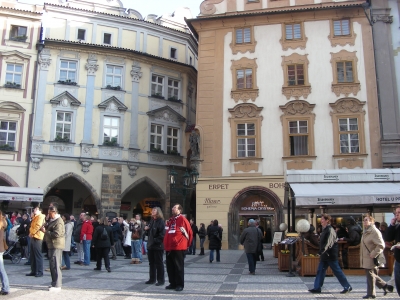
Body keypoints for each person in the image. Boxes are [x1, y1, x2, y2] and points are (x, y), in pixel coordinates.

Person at [308, 213, 352, 294]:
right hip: (325, 255)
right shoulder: (325, 229)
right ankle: (317, 287)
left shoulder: (330, 230)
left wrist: (321, 251)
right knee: (320, 270)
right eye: (321, 219)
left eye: (322, 220)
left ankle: (347, 286)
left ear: (327, 221)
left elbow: (328, 243)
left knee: (337, 271)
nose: (321, 221)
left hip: (330, 255)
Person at [360, 215, 393, 299]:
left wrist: (373, 253)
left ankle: (372, 293)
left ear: (372, 222)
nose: (364, 222)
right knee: (371, 275)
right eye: (364, 220)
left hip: (372, 257)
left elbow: (381, 245)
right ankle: (382, 287)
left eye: (366, 220)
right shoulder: (366, 231)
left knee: (370, 275)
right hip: (366, 256)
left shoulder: (374, 231)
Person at [164, 204, 193, 292]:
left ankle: (179, 284)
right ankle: (172, 283)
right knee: (170, 266)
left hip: (178, 247)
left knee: (178, 267)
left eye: (175, 208)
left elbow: (189, 233)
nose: (173, 209)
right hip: (169, 247)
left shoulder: (183, 219)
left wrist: (186, 245)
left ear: (180, 210)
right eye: (172, 207)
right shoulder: (171, 220)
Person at [42, 203, 65, 292]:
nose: (49, 214)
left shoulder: (58, 221)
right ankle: (54, 283)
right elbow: (46, 226)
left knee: (56, 264)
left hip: (56, 245)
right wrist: (47, 220)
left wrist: (46, 232)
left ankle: (58, 285)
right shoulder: (52, 220)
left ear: (54, 212)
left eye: (49, 213)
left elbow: (57, 234)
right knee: (52, 264)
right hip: (51, 244)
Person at [145, 207, 165, 286]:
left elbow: (162, 234)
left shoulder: (160, 222)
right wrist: (147, 230)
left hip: (157, 246)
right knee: (151, 263)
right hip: (150, 245)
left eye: (154, 210)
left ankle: (161, 280)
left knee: (159, 263)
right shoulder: (152, 221)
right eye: (152, 210)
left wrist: (155, 241)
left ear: (158, 212)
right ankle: (152, 279)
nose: (152, 211)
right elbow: (149, 233)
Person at [385, 204, 400, 297]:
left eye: (399, 213)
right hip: (398, 260)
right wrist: (391, 225)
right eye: (396, 213)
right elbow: (388, 237)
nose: (396, 215)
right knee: (398, 285)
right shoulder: (397, 226)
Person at [26, 206, 45, 277]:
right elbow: (31, 226)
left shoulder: (41, 216)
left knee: (38, 254)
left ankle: (40, 271)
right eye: (35, 209)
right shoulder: (35, 217)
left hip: (38, 237)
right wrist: (30, 233)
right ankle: (33, 270)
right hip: (33, 236)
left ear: (40, 211)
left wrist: (32, 233)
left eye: (36, 209)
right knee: (32, 254)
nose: (34, 210)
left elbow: (38, 226)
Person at [0, 211, 10, 295]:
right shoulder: (3, 222)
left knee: (1, 269)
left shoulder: (0, 222)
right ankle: (5, 287)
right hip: (1, 248)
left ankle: (6, 287)